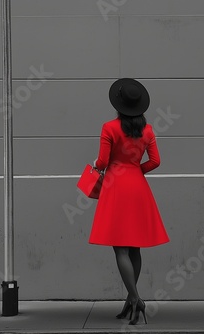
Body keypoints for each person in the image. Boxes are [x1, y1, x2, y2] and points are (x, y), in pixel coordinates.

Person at [88, 78, 170, 325]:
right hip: (138, 186)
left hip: (116, 187)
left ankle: (136, 300)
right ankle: (130, 300)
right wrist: (135, 169)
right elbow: (155, 161)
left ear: (118, 104)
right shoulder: (148, 130)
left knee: (120, 247)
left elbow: (102, 162)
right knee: (135, 246)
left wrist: (96, 165)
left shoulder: (109, 128)